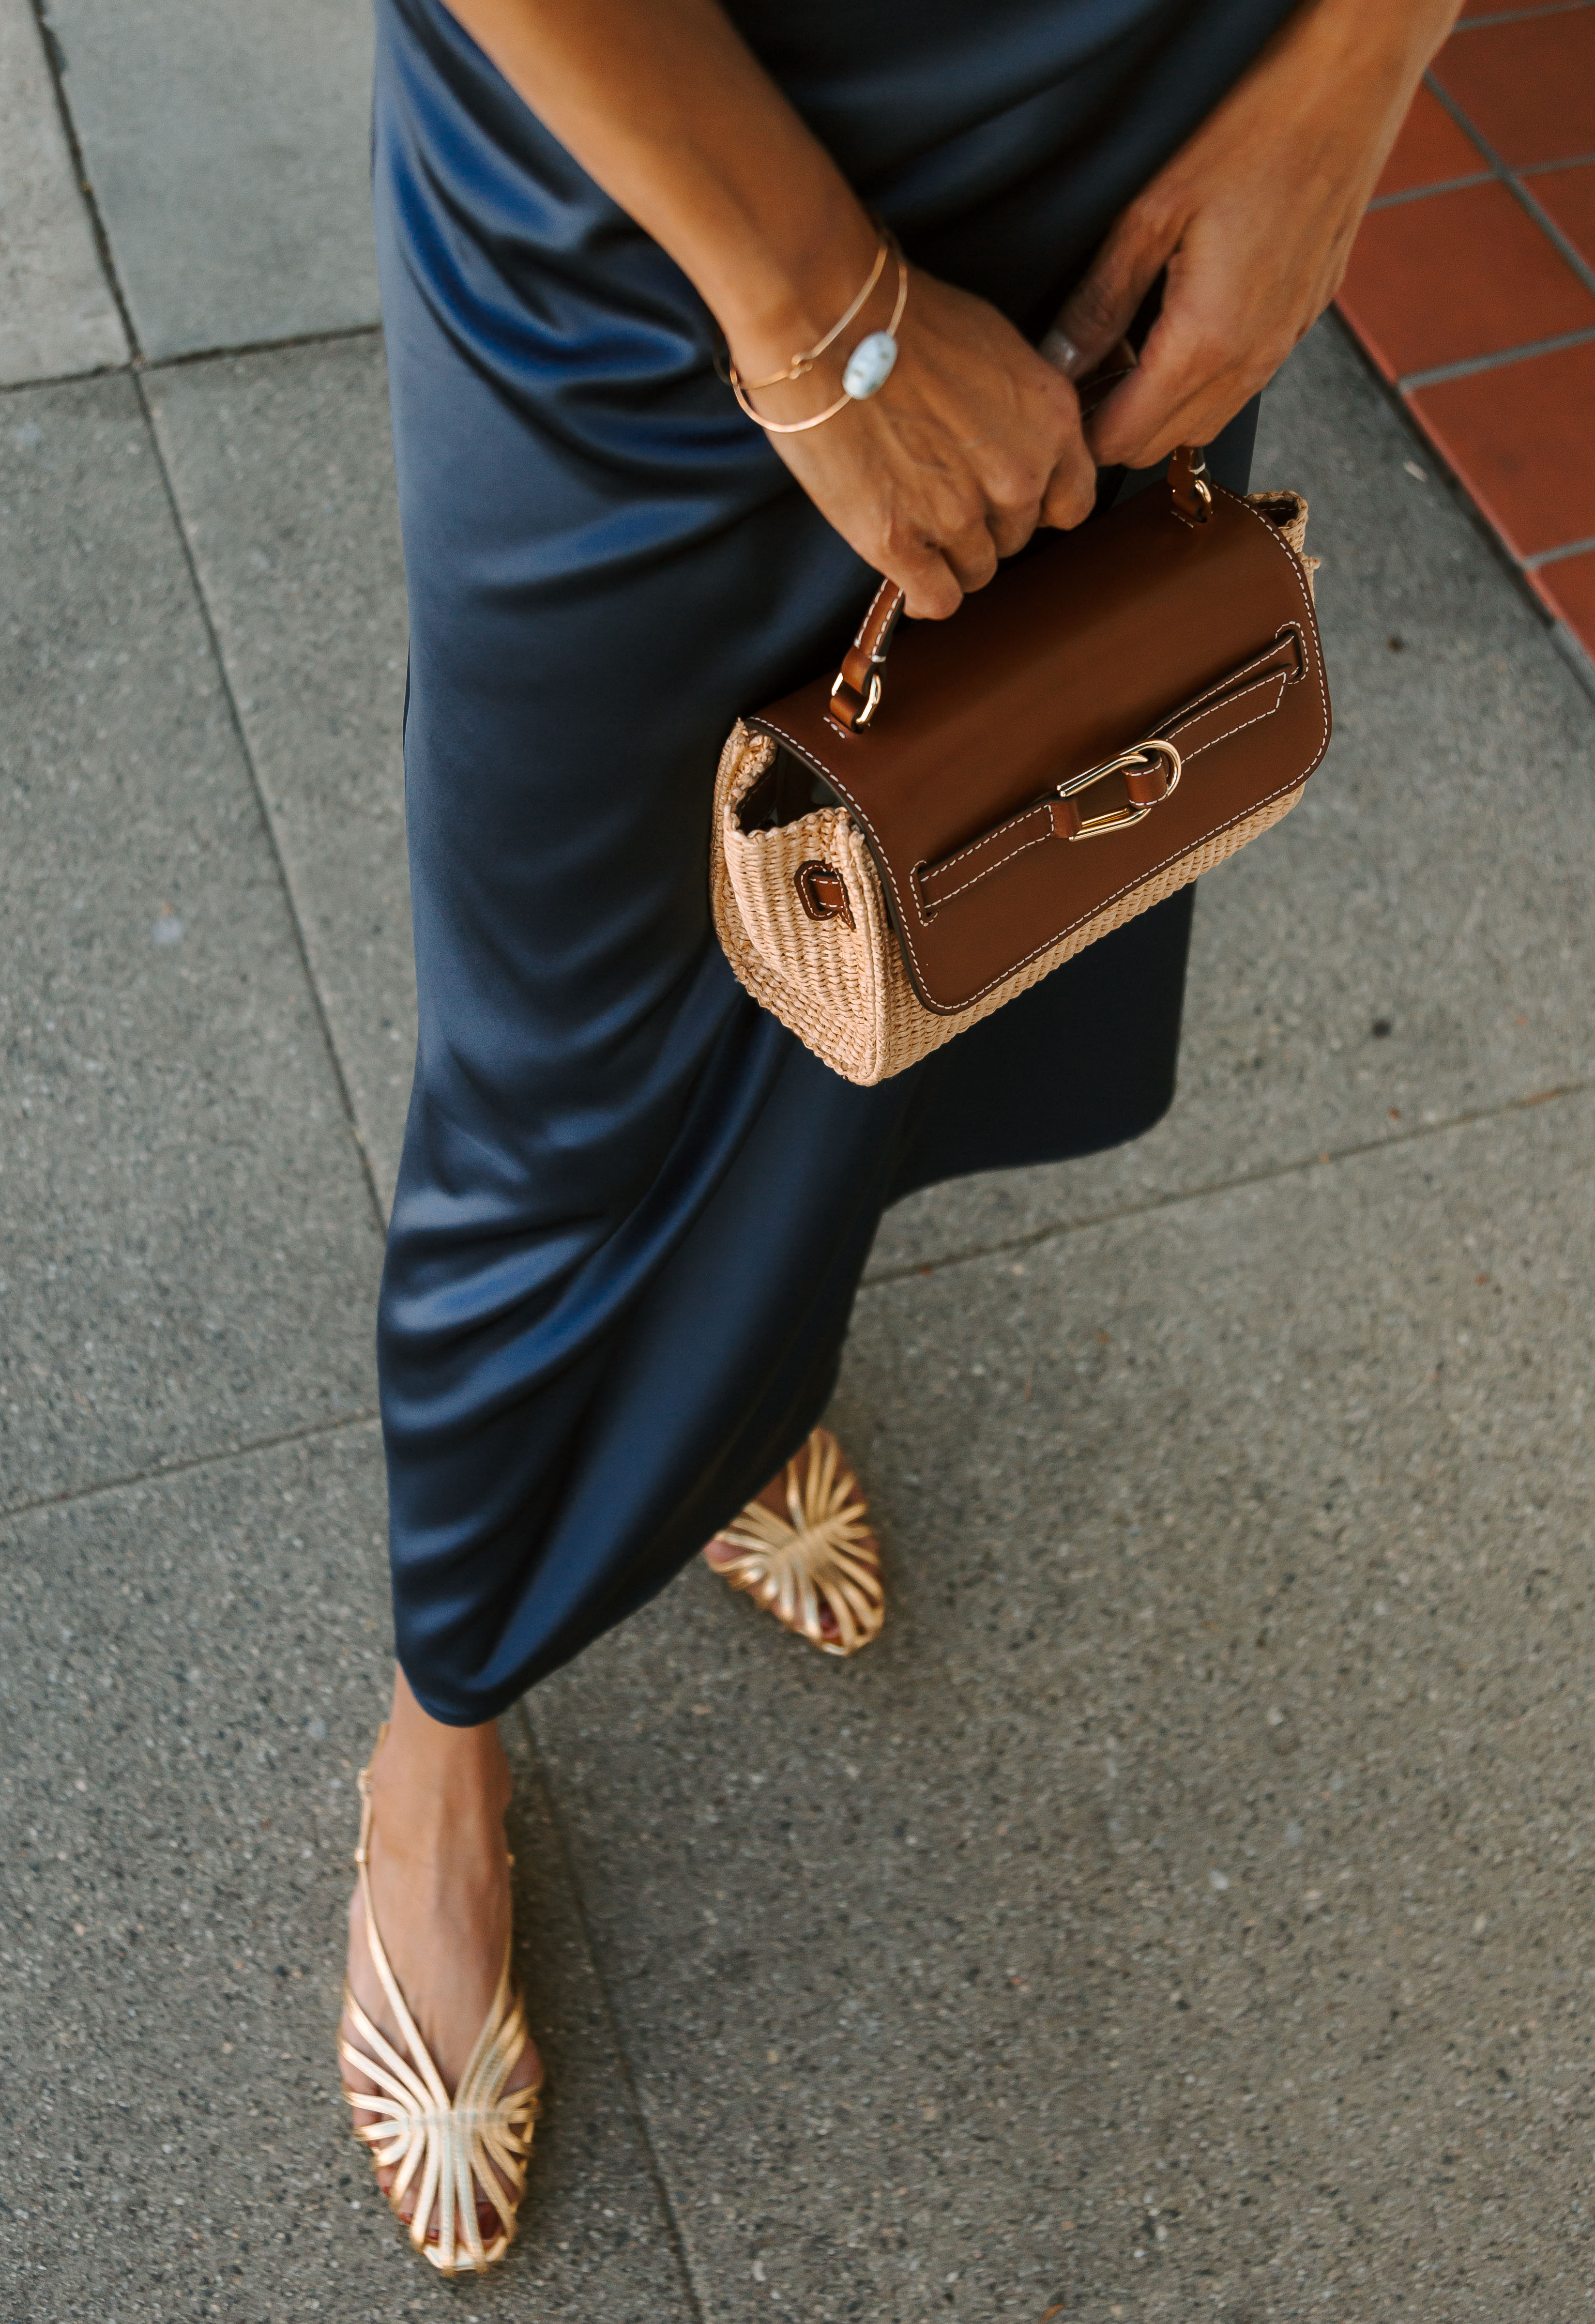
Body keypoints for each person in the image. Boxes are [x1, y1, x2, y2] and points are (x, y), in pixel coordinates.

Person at [337, 0, 1462, 2274]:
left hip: (1159, 118)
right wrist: (825, 320)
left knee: (972, 856)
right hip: (662, 190)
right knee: (571, 1029)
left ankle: (738, 1394)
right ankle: (436, 1738)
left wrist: (1352, 79)